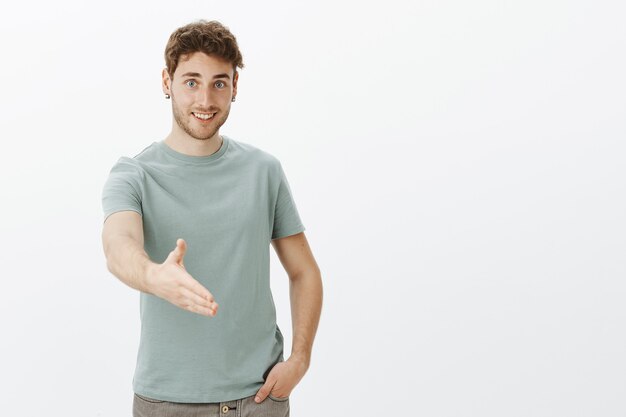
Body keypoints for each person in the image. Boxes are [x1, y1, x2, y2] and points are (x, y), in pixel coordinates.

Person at [101, 19, 323, 417]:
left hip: (259, 400)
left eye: (219, 82)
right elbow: (119, 247)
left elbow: (304, 271)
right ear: (167, 82)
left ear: (235, 87)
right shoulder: (133, 174)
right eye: (191, 81)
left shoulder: (264, 171)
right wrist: (154, 276)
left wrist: (300, 359)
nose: (205, 99)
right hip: (166, 402)